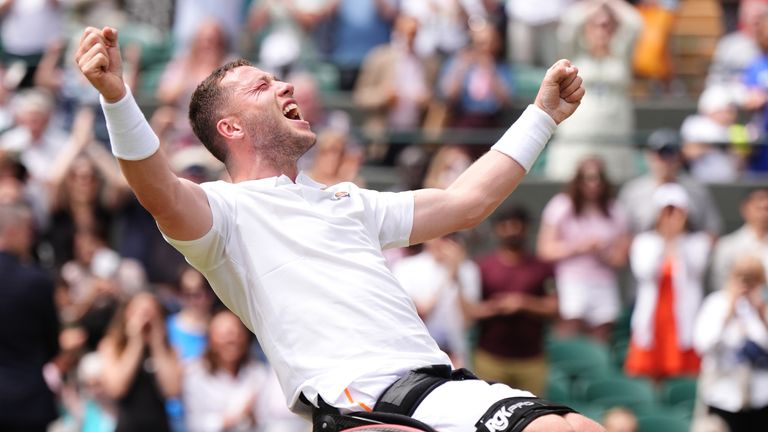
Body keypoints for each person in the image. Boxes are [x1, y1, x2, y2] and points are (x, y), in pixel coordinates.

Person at [75, 25, 600, 432]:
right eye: (262, 85)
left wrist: (542, 116)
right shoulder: (222, 214)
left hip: (441, 387)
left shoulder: (348, 201)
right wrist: (117, 98)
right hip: (360, 406)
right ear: (230, 128)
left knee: (575, 425)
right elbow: (157, 189)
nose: (284, 84)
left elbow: (466, 202)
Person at [537, 156, 629, 343]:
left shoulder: (615, 210)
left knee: (603, 333)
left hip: (603, 281)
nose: (594, 184)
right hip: (572, 279)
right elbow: (544, 249)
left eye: (598, 178)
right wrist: (579, 247)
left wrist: (602, 252)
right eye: (588, 178)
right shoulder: (561, 205)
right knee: (571, 330)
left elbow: (621, 257)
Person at [624, 183, 709, 382]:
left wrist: (676, 239)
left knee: (686, 373)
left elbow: (694, 269)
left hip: (684, 317)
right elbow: (645, 271)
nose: (670, 217)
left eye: (676, 211)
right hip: (654, 317)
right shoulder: (644, 242)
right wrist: (666, 240)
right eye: (666, 211)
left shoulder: (698, 242)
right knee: (649, 374)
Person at [474, 205, 558, 397]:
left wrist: (523, 303)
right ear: (497, 230)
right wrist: (499, 307)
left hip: (531, 359)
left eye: (517, 225)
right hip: (490, 357)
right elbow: (470, 310)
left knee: (531, 417)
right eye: (506, 225)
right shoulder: (483, 266)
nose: (512, 230)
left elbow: (554, 307)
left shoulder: (542, 268)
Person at [0, 203, 60, 431]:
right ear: (13, 231)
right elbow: (52, 345)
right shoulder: (36, 281)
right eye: (28, 231)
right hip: (28, 401)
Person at [694, 254, 768, 432]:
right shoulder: (716, 303)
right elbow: (703, 345)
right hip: (723, 396)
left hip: (761, 399)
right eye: (742, 277)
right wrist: (729, 312)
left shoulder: (763, 307)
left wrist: (761, 314)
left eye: (753, 279)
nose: (747, 284)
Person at [98, 292, 182, 432]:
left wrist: (157, 344)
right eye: (139, 312)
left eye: (150, 312)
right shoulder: (112, 346)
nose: (145, 318)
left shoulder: (169, 348)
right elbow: (117, 388)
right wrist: (136, 342)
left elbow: (172, 391)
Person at [617, 128, 723, 238]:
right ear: (649, 155)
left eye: (670, 153)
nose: (665, 160)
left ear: (679, 156)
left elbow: (712, 230)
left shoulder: (697, 189)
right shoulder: (632, 191)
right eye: (660, 153)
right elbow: (623, 234)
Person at [711, 188, 768, 289]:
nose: (764, 214)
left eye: (767, 209)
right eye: (759, 208)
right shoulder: (727, 245)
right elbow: (720, 286)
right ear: (745, 209)